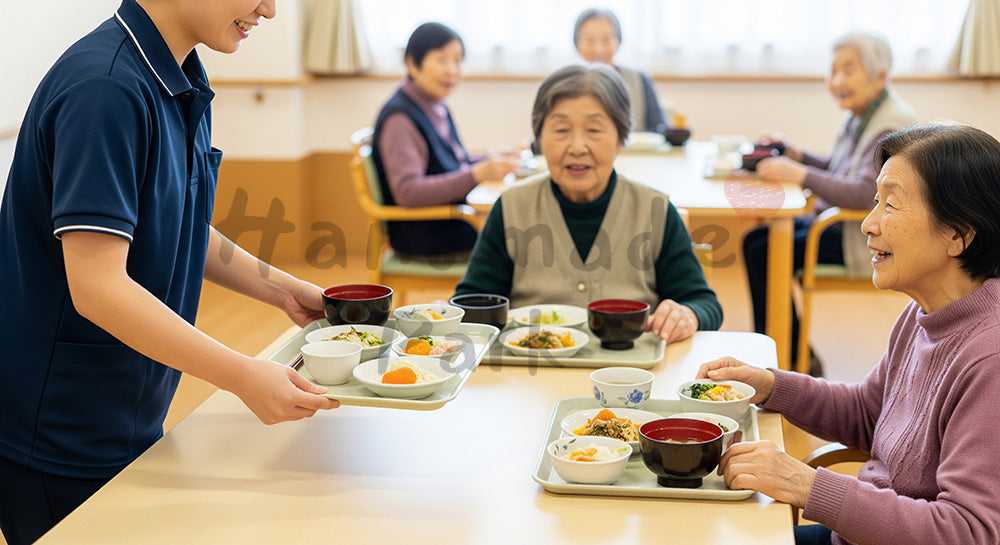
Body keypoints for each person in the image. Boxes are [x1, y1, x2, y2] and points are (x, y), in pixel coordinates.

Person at [0, 1, 339, 543]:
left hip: (129, 412)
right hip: (61, 432)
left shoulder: (180, 77)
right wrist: (241, 375)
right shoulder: (105, 88)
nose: (270, 9)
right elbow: (97, 289)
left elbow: (176, 222)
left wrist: (285, 290)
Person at [701, 124, 1000, 545]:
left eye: (891, 205)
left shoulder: (989, 357)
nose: (868, 224)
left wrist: (806, 485)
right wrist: (770, 385)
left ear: (958, 235)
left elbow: (968, 531)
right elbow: (868, 414)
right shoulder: (924, 312)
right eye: (876, 201)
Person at [455, 64, 722, 344]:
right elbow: (473, 299)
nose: (577, 147)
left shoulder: (656, 210)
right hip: (533, 365)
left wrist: (687, 315)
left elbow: (703, 302)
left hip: (629, 367)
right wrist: (450, 314)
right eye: (561, 130)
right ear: (540, 140)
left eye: (594, 130)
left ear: (621, 139)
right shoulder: (511, 208)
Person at [742, 31, 917, 372]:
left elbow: (863, 194)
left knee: (763, 249)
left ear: (880, 75)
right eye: (833, 70)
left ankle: (789, 357)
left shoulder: (890, 125)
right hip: (836, 225)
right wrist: (796, 154)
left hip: (858, 234)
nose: (836, 81)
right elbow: (837, 168)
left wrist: (800, 174)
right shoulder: (864, 113)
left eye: (848, 70)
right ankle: (788, 350)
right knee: (756, 241)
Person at [372, 22, 520, 260]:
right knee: (520, 234)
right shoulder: (400, 118)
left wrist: (491, 158)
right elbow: (408, 192)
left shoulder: (435, 105)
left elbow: (452, 163)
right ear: (413, 63)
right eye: (441, 60)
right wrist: (478, 174)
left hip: (449, 222)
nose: (453, 70)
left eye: (458, 61)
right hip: (426, 234)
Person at [573, 8, 666, 132]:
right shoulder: (565, 83)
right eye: (590, 41)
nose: (598, 50)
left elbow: (658, 129)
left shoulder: (638, 80)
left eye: (606, 40)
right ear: (577, 43)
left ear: (618, 41)